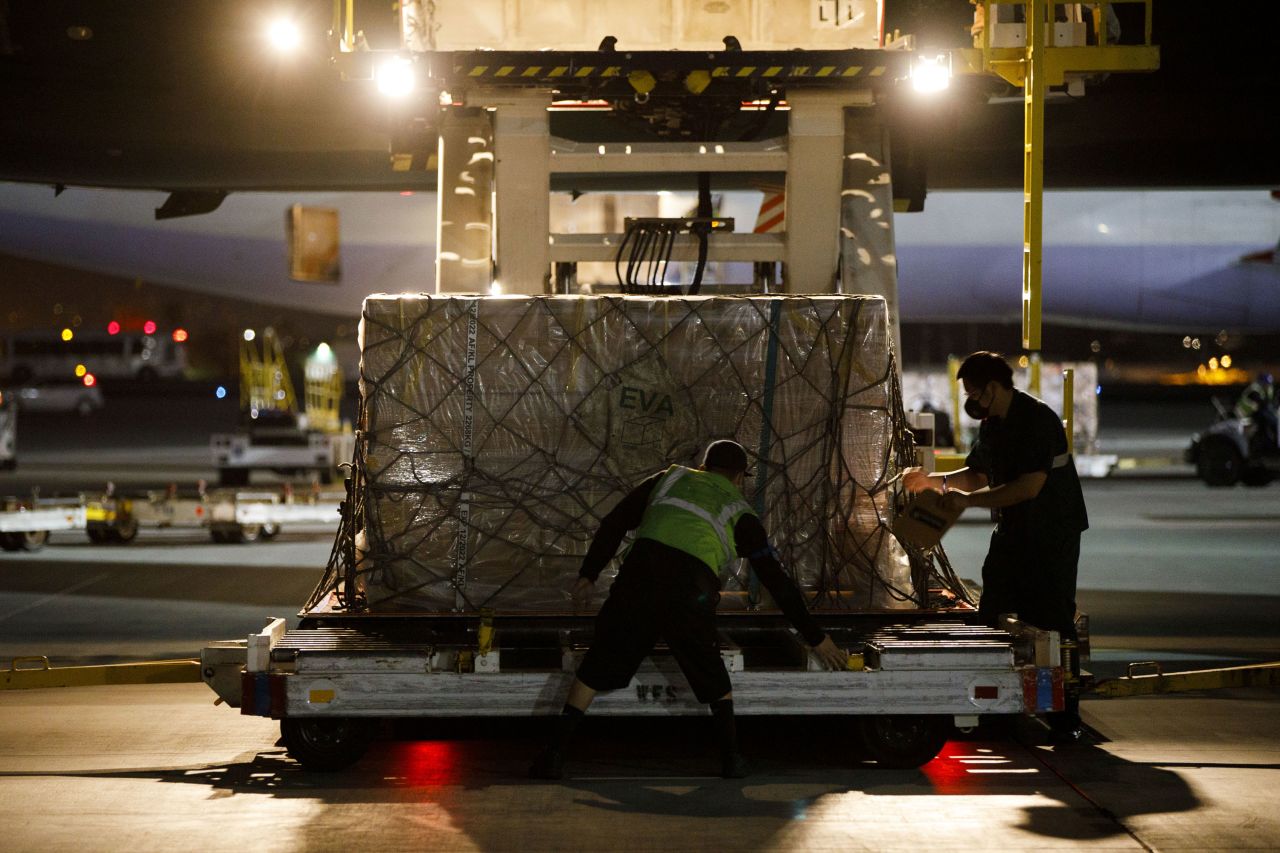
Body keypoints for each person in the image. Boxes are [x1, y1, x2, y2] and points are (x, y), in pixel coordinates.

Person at [529, 439, 848, 780]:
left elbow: (615, 522)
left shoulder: (669, 479)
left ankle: (553, 756)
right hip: (689, 593)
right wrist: (816, 638)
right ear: (740, 478)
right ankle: (731, 759)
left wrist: (589, 573)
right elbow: (777, 582)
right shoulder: (741, 514)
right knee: (710, 670)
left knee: (595, 665)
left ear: (702, 466)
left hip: (639, 580)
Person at [902, 352, 1089, 741]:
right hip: (1014, 529)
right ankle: (998, 707)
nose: (970, 399)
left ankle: (1064, 715)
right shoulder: (993, 425)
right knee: (993, 612)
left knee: (1051, 618)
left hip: (1051, 532)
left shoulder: (1037, 420)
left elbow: (1028, 487)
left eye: (973, 391)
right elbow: (976, 475)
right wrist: (931, 482)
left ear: (992, 387)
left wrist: (967, 502)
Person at [1234, 372, 1278, 452]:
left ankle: (1268, 443)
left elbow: (1269, 404)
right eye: (1265, 384)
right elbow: (1263, 404)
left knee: (1268, 418)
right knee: (1269, 420)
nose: (1267, 386)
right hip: (1243, 415)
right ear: (1260, 383)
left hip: (1253, 413)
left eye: (1269, 384)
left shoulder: (1267, 390)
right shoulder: (1254, 390)